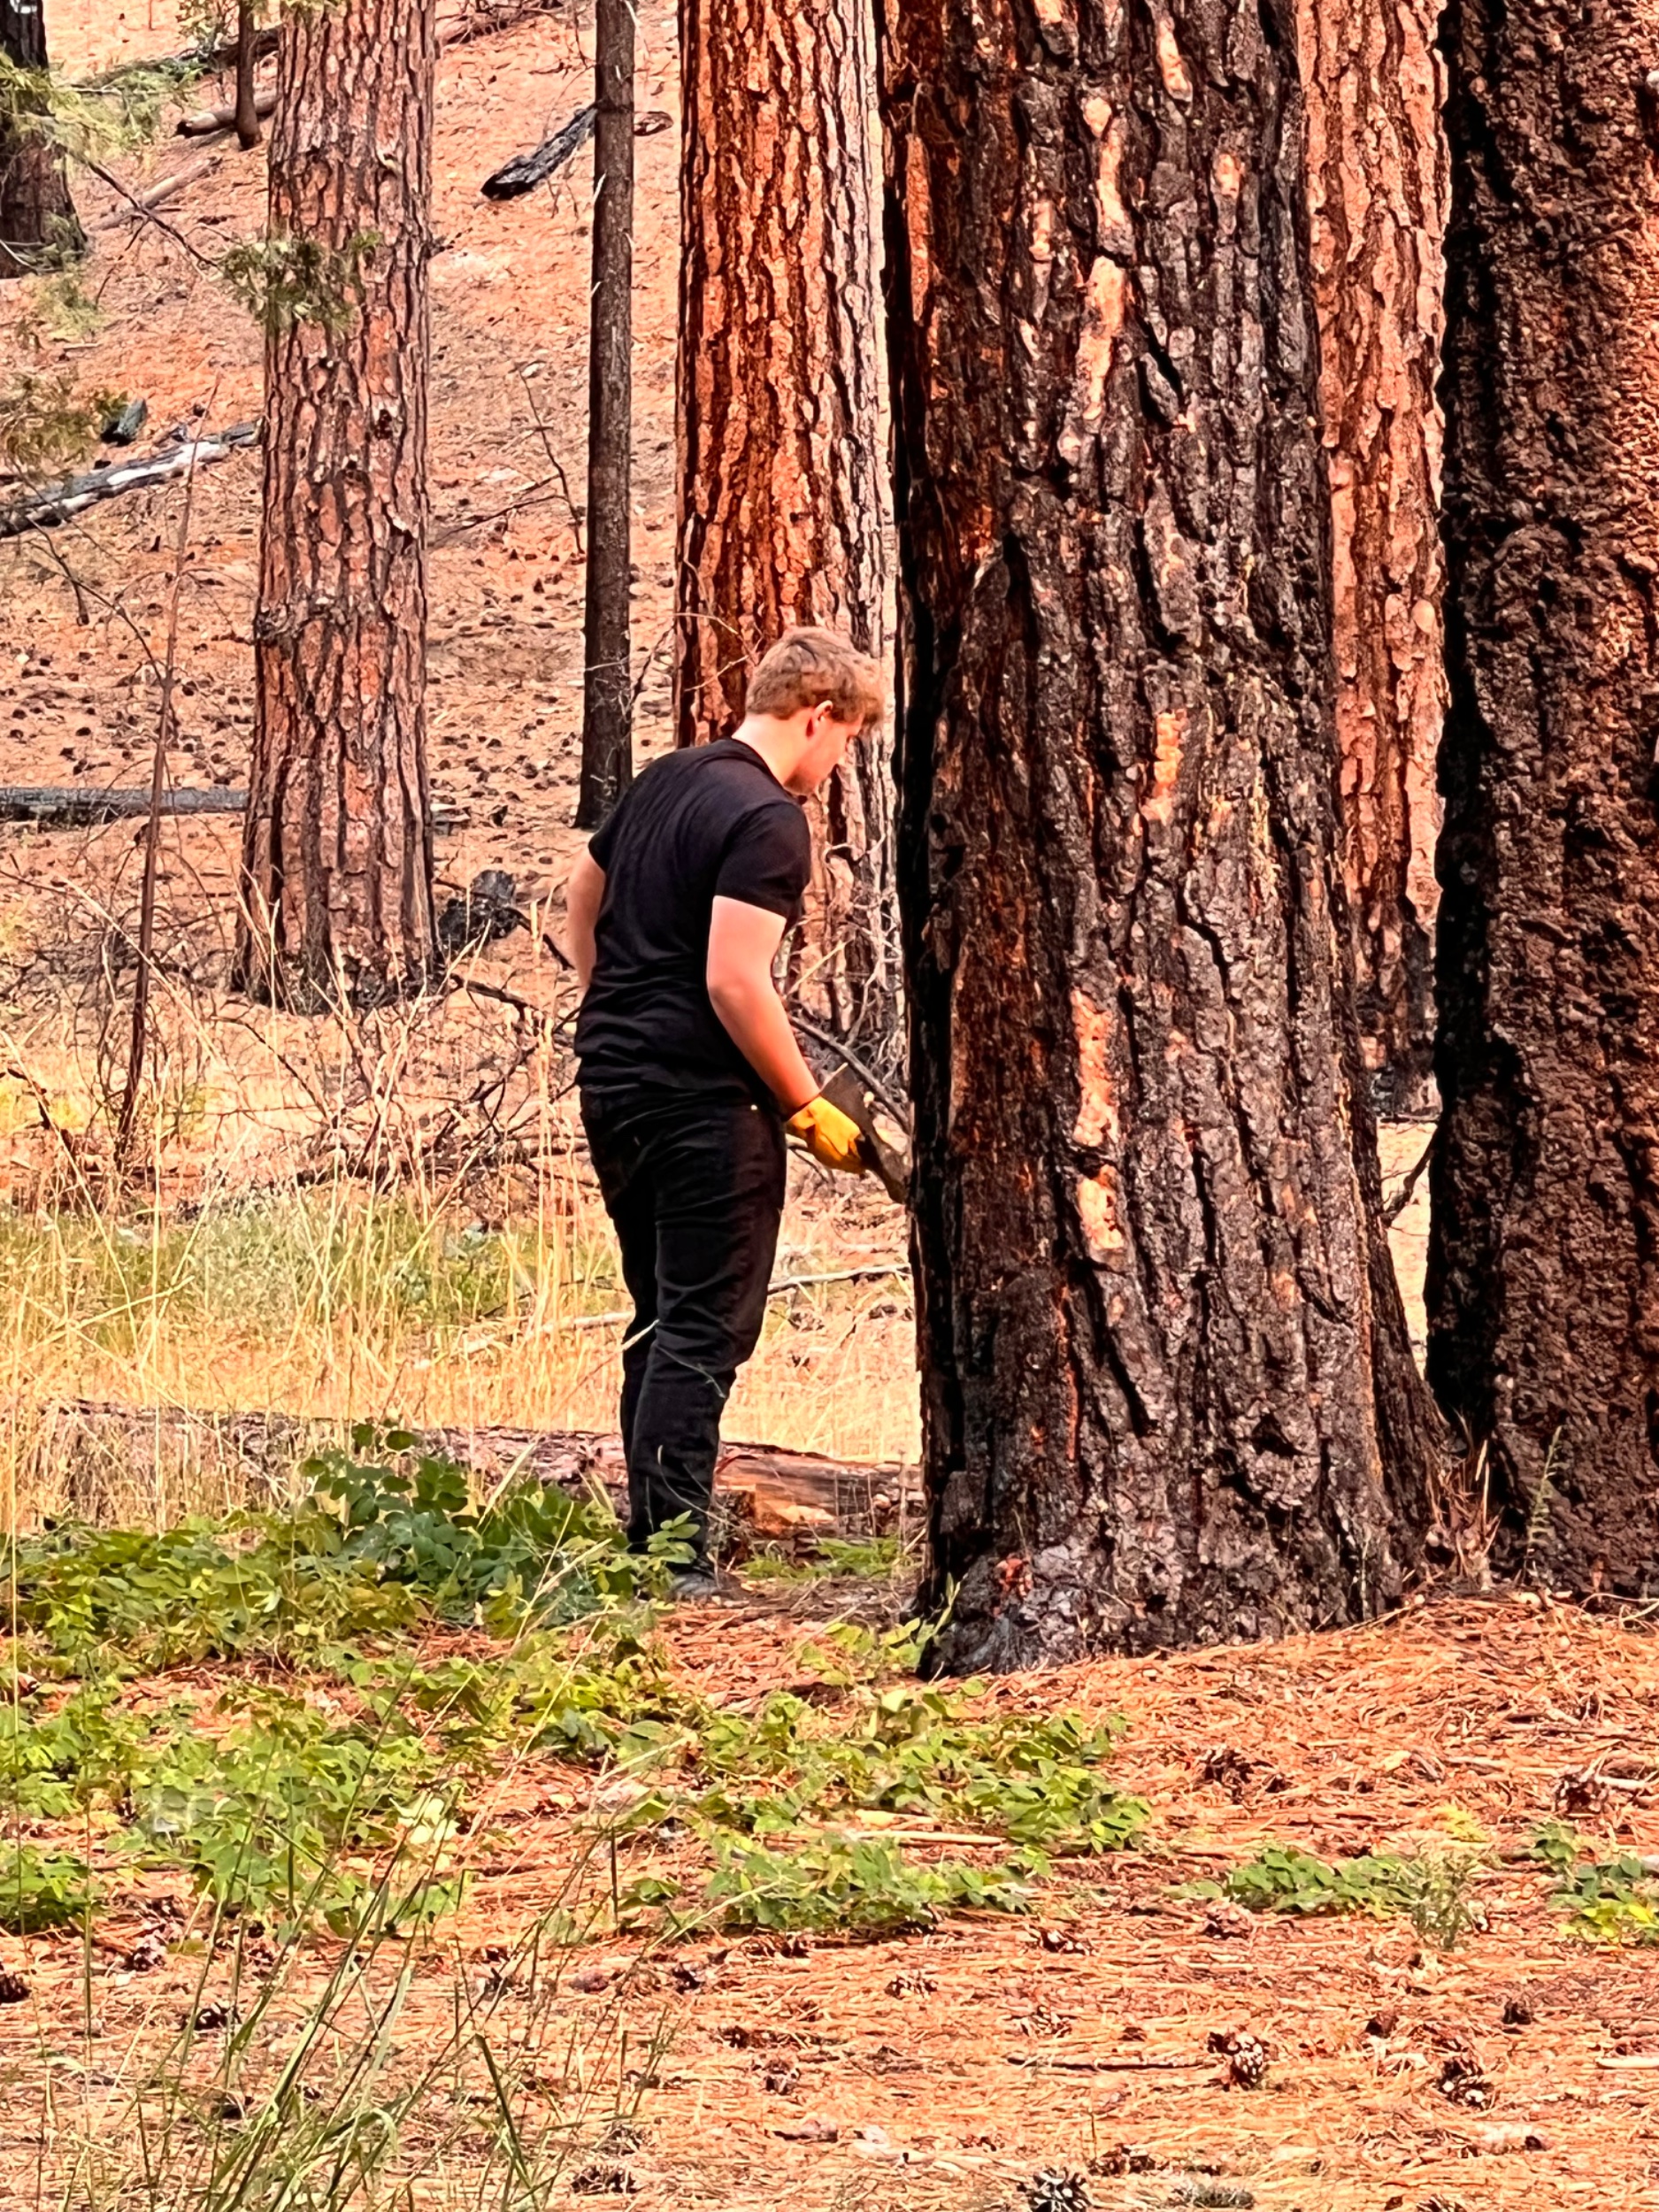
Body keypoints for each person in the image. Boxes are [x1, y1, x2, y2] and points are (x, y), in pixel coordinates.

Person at [565, 626, 888, 1598]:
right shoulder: (767, 818)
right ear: (819, 716)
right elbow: (735, 981)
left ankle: (651, 1540)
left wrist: (615, 1005)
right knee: (703, 1329)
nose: (837, 766)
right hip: (706, 1103)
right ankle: (675, 1563)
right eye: (847, 741)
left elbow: (580, 894)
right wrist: (804, 1104)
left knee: (660, 1314)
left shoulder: (668, 779)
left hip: (614, 1082)